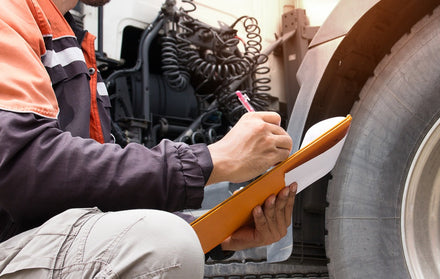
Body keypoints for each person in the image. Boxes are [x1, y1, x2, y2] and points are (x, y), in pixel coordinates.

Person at [0, 0, 296, 278]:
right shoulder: (9, 12)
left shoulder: (68, 37)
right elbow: (24, 166)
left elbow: (92, 194)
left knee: (171, 238)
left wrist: (216, 233)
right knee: (163, 244)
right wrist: (210, 160)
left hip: (27, 241)